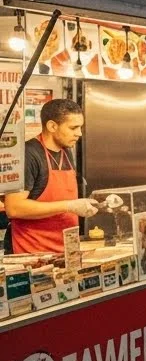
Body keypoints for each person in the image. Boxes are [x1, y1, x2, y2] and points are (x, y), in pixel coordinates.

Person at [6, 99, 99, 253]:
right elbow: (14, 207)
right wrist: (69, 206)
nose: (79, 133)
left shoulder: (66, 152)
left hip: (66, 252)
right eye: (73, 127)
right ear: (52, 126)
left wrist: (100, 203)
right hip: (35, 255)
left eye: (80, 127)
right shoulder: (29, 154)